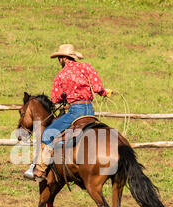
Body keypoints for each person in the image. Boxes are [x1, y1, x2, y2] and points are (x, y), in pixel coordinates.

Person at [24, 44, 111, 181]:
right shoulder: (87, 67)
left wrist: (66, 96)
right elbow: (97, 87)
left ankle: (40, 170)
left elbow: (55, 98)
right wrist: (105, 92)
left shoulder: (62, 74)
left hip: (75, 111)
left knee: (48, 133)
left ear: (64, 58)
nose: (59, 60)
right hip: (90, 111)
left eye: (59, 58)